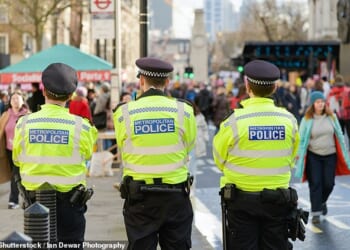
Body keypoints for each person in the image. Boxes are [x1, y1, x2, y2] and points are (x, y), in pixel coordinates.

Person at [213, 60, 301, 249]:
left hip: (241, 200)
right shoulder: (289, 120)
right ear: (275, 87)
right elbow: (293, 156)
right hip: (278, 200)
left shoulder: (233, 121)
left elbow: (219, 160)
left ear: (247, 86)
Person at [113, 57, 197, 250]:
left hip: (140, 198)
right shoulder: (184, 110)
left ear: (141, 80)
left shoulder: (124, 112)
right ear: (167, 82)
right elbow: (188, 144)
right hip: (176, 195)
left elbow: (122, 144)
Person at [12, 63, 98, 246]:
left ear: (43, 91)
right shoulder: (82, 127)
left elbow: (17, 159)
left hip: (35, 204)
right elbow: (88, 155)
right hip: (70, 204)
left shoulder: (23, 124)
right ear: (70, 95)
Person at [295, 91, 350, 224]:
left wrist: (344, 151)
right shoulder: (307, 119)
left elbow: (340, 134)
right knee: (315, 184)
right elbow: (301, 139)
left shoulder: (332, 117)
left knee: (329, 183)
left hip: (330, 155)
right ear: (313, 104)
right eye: (318, 102)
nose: (321, 104)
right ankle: (316, 213)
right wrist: (298, 154)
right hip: (314, 156)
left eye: (322, 102)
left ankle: (323, 201)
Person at [0, 91, 29, 209]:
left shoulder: (27, 115)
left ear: (23, 101)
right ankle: (23, 200)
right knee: (16, 175)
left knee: (17, 175)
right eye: (13, 99)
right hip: (8, 150)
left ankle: (14, 200)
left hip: (23, 151)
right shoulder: (6, 114)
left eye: (18, 98)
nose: (15, 101)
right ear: (10, 102)